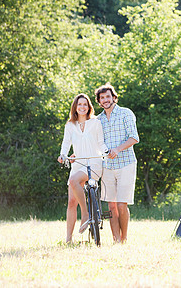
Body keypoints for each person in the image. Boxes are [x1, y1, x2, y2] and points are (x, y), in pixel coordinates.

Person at [57, 93, 108, 243]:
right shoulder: (70, 125)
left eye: (85, 104)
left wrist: (107, 152)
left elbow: (101, 143)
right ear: (75, 107)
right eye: (79, 104)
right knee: (72, 202)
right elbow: (66, 143)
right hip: (78, 163)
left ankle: (85, 214)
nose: (82, 107)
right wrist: (63, 155)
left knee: (73, 180)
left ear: (89, 107)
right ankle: (68, 239)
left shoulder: (95, 123)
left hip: (94, 163)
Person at [95, 83, 139, 243]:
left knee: (121, 205)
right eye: (102, 98)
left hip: (126, 164)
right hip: (107, 167)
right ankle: (116, 240)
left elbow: (134, 137)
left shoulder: (125, 113)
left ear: (114, 97)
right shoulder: (98, 120)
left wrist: (118, 149)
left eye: (108, 96)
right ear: (99, 102)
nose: (105, 100)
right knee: (111, 206)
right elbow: (94, 143)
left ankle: (124, 238)